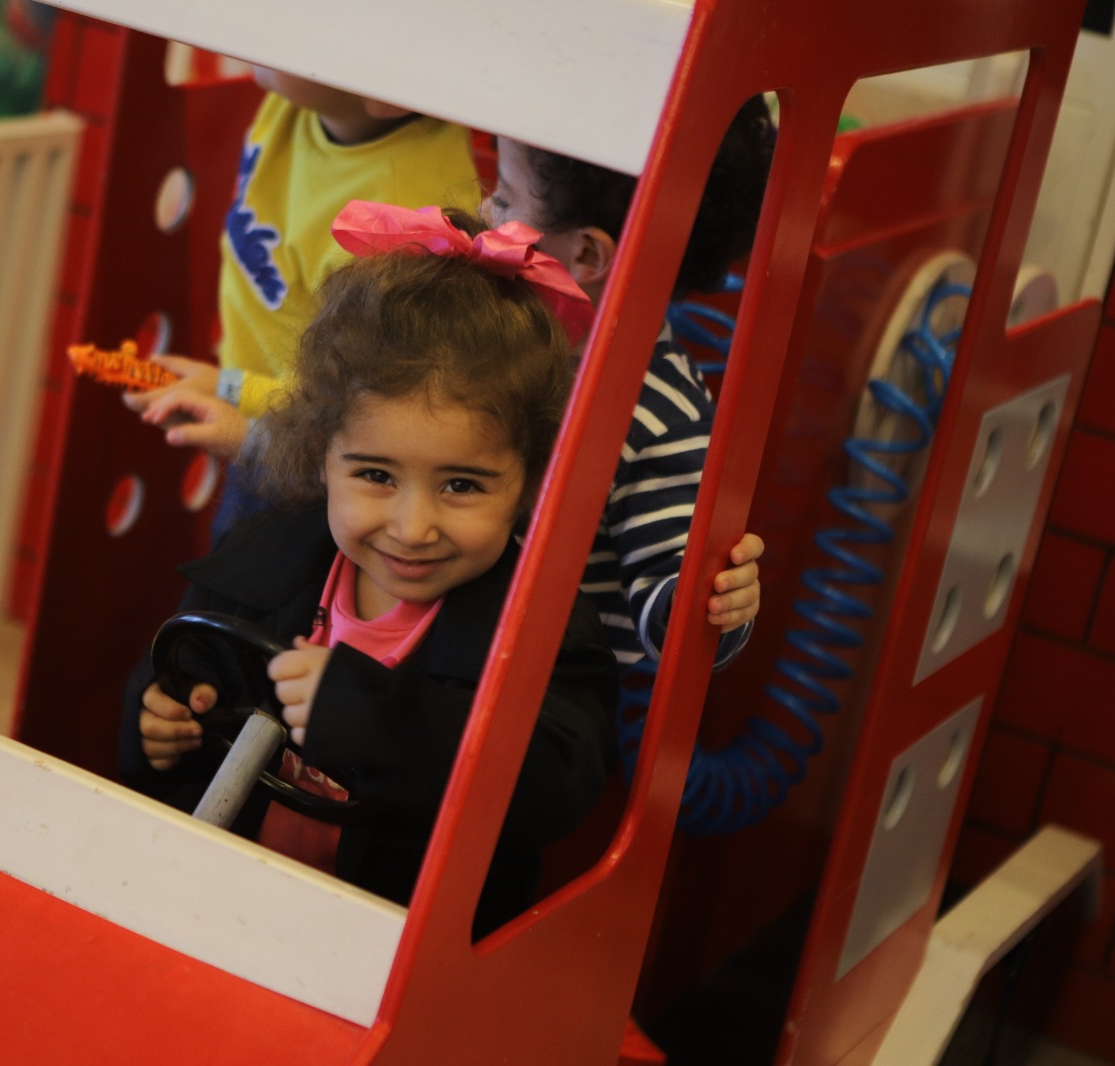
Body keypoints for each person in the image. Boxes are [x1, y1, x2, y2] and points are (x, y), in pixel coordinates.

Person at [120, 202, 617, 938]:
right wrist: (156, 725)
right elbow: (181, 671)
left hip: (397, 950)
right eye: (376, 476)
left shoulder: (543, 628)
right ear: (321, 454)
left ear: (528, 481)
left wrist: (368, 716)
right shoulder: (262, 562)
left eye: (462, 485)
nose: (412, 528)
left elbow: (553, 789)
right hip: (221, 915)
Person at [482, 96, 776, 676]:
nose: (483, 210)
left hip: (542, 686)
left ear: (587, 253)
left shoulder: (660, 418)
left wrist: (715, 601)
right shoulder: (499, 330)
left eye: (506, 199)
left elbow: (675, 613)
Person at [121, 68, 480, 534]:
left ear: (388, 93)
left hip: (310, 453)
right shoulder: (299, 97)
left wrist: (229, 388)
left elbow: (357, 401)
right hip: (263, 411)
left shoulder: (397, 226)